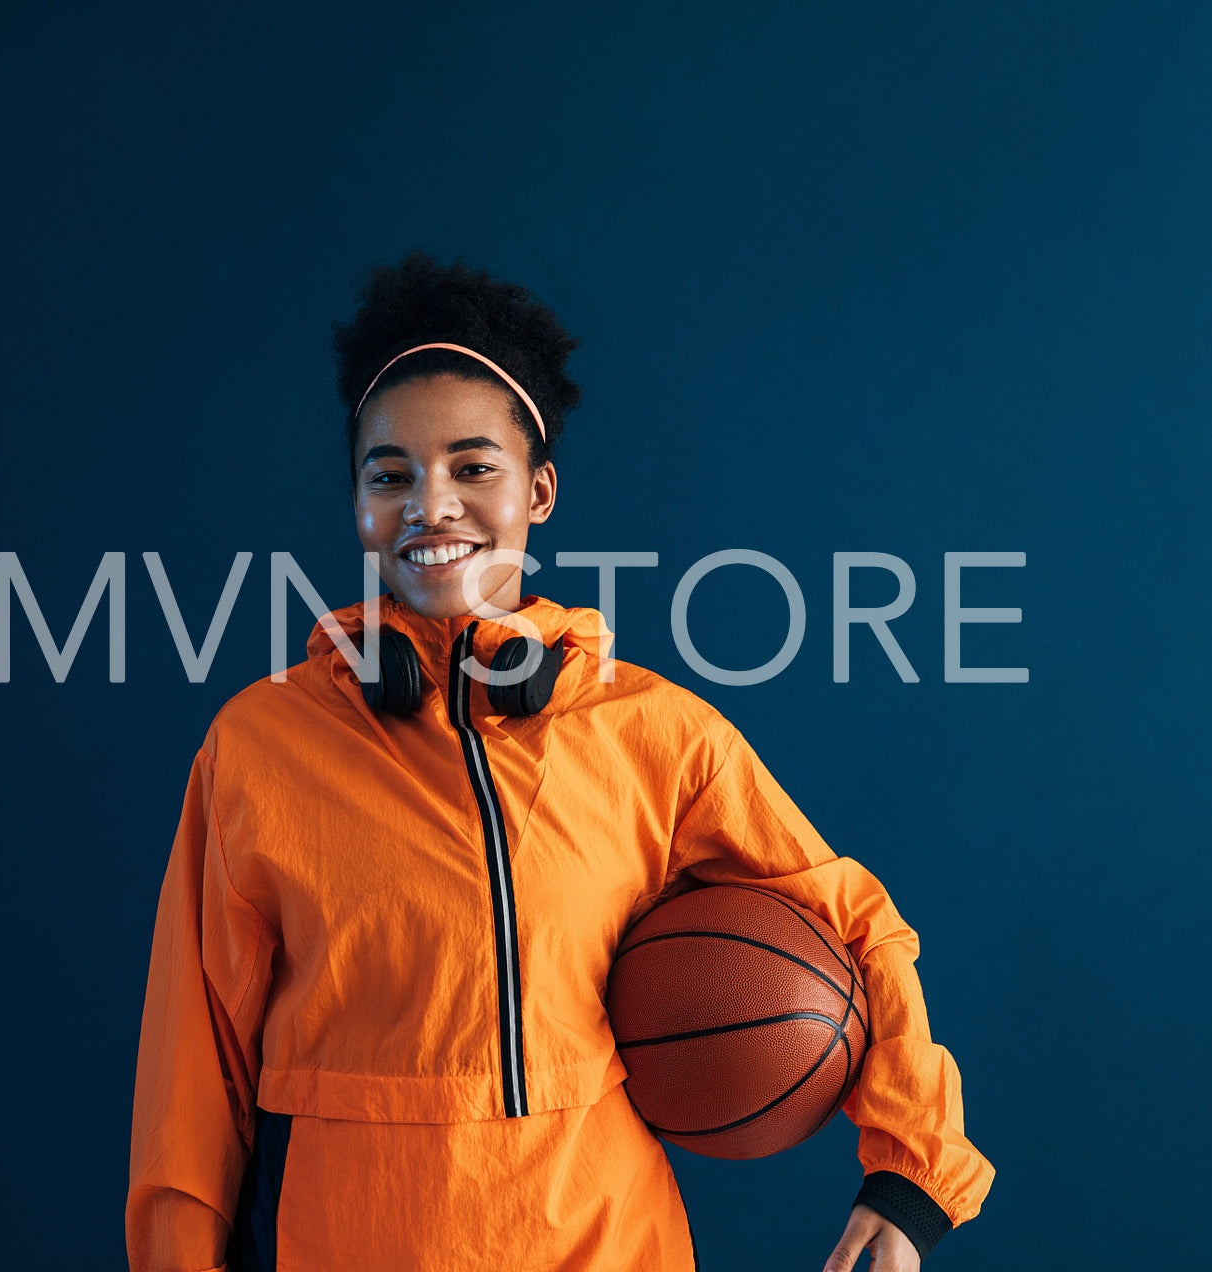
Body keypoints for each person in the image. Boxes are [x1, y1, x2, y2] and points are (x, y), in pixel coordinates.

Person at [126, 250, 994, 1271]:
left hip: (606, 1241)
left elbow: (853, 923)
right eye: (389, 473)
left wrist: (909, 1177)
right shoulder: (260, 746)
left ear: (537, 490)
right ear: (356, 498)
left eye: (472, 466)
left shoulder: (651, 732)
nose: (430, 505)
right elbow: (194, 1069)